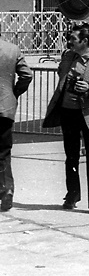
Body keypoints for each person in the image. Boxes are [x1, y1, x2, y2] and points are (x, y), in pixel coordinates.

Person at [41, 22, 89, 215]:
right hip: (68, 113)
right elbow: (61, 74)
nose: (69, 42)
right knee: (71, 156)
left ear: (84, 41)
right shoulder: (67, 56)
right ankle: (72, 195)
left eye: (73, 39)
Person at [0, 34, 33, 212]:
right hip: (5, 108)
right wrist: (14, 93)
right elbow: (27, 75)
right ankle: (7, 191)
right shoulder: (12, 49)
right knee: (4, 152)